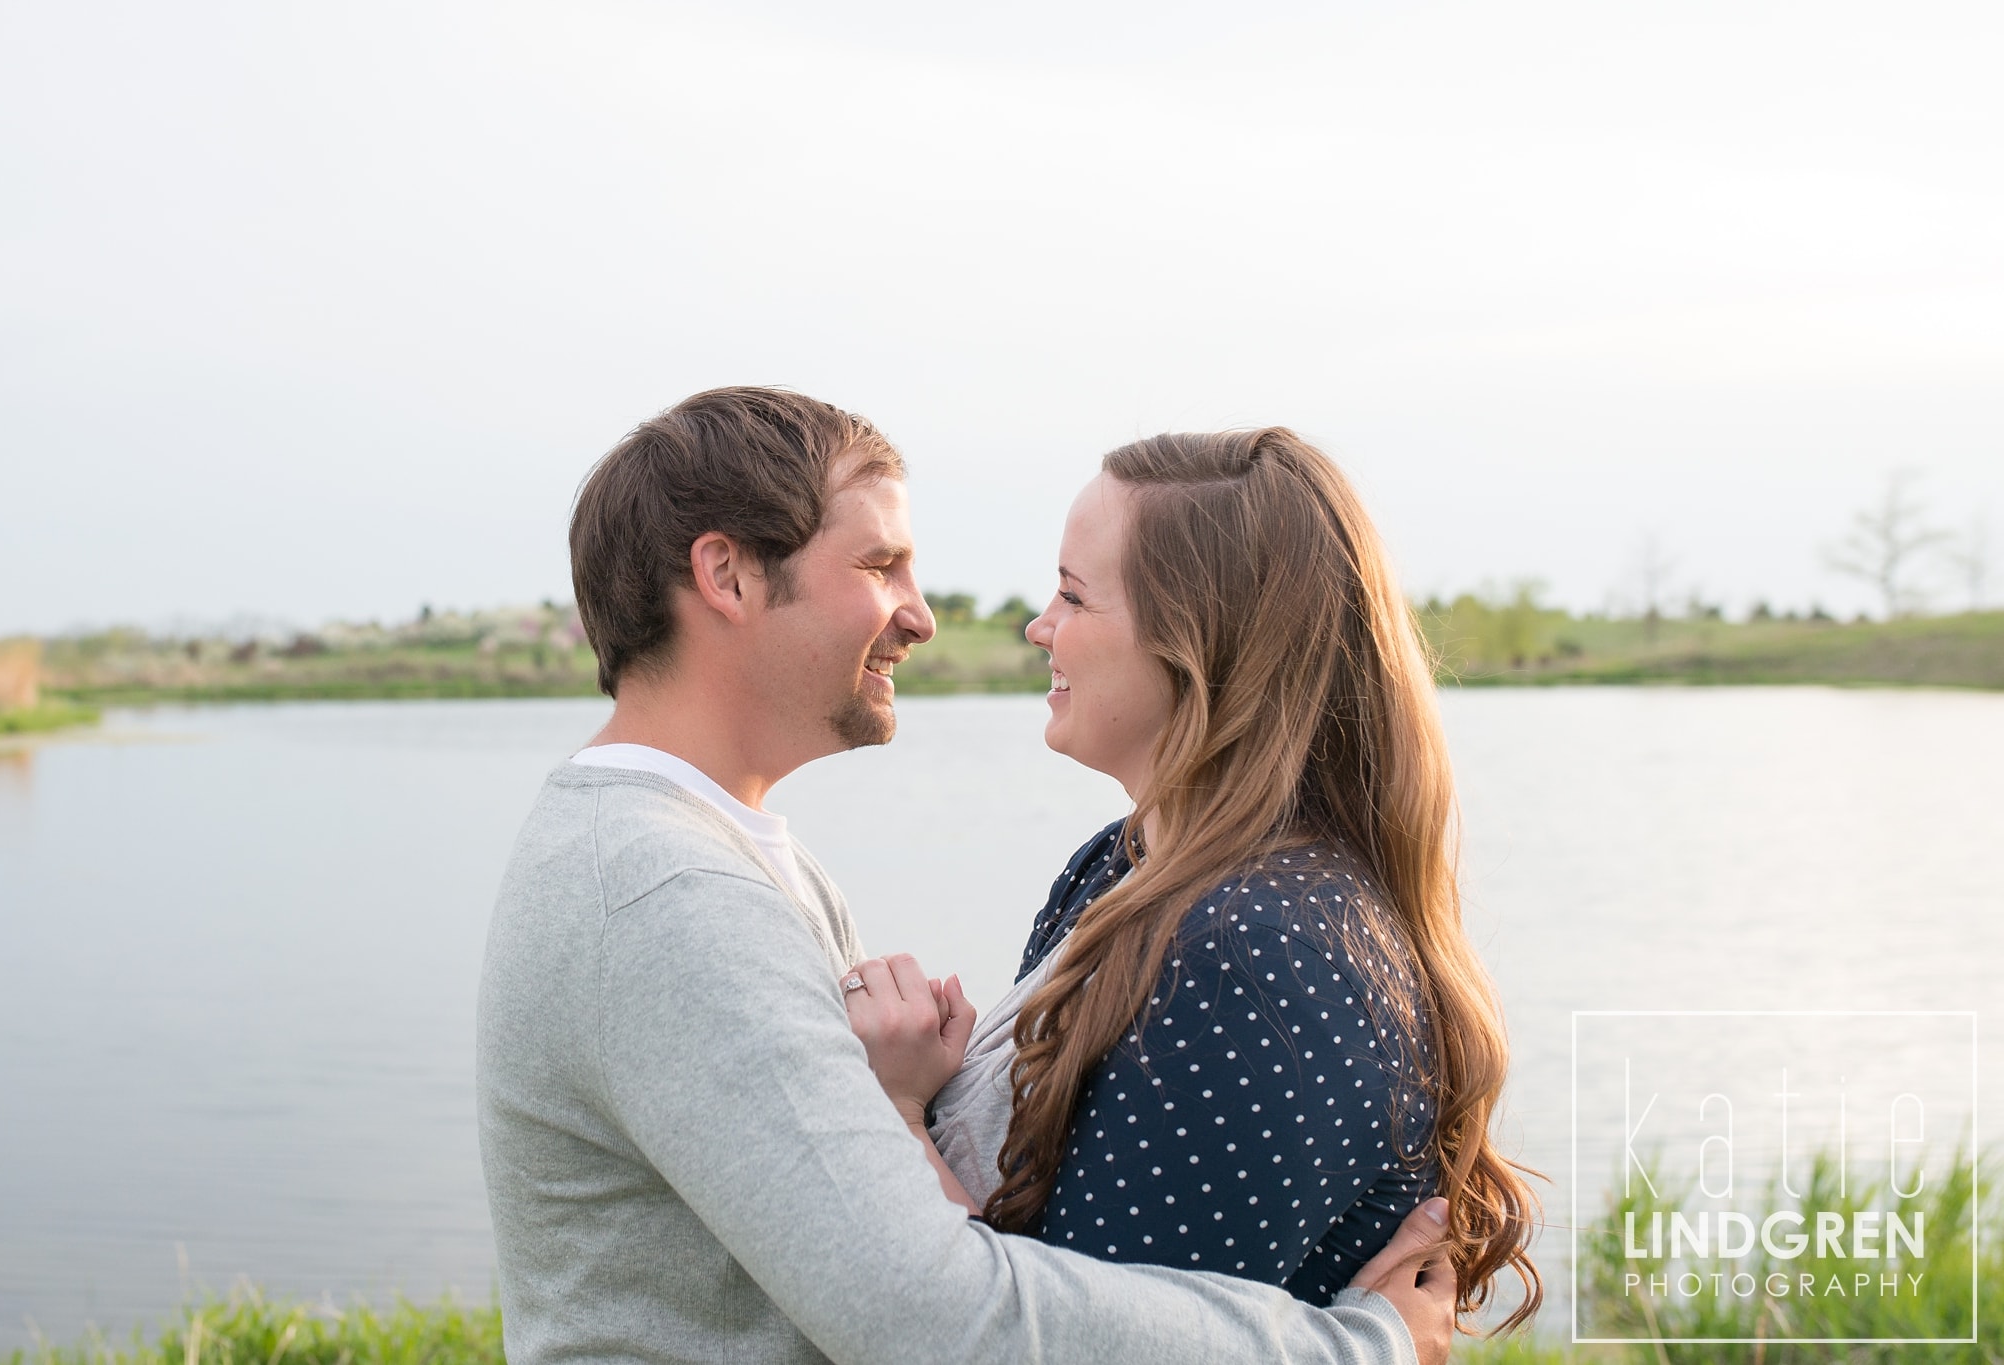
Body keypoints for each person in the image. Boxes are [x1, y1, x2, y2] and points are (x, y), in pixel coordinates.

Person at [477, 387, 1459, 1365]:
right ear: (726, 576)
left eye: (1072, 594)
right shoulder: (668, 897)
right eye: (878, 565)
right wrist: (1355, 1350)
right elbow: (937, 1316)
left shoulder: (719, 856)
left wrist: (906, 1103)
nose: (920, 616)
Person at [845, 429, 1540, 1327]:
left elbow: (1056, 1347)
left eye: (1072, 593)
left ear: (1198, 645)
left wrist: (895, 1114)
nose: (1038, 625)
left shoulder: (1256, 956)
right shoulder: (1120, 865)